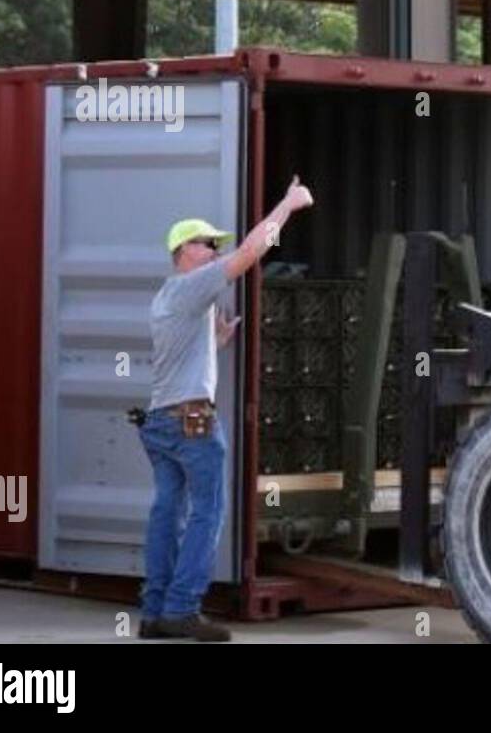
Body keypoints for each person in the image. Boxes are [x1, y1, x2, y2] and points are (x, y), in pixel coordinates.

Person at [137, 176, 314, 642]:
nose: (215, 250)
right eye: (206, 243)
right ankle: (182, 610)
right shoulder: (191, 286)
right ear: (182, 251)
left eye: (217, 244)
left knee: (167, 512)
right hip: (191, 421)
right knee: (208, 512)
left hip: (161, 420)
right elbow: (252, 252)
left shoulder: (166, 299)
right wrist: (287, 205)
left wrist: (214, 342)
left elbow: (177, 357)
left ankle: (155, 614)